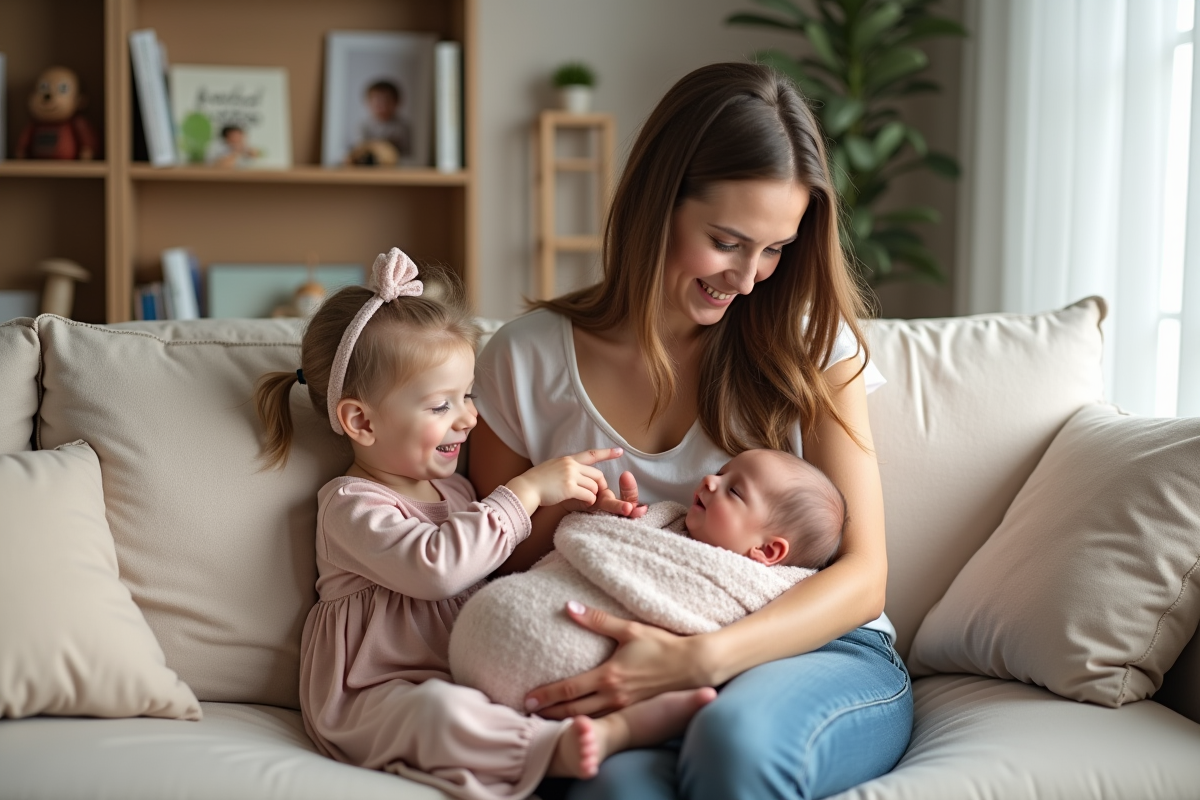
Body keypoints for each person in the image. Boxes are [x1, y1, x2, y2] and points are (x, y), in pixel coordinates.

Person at [469, 62, 913, 800]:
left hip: (815, 650)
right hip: (633, 676)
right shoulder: (525, 359)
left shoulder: (806, 339)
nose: (748, 278)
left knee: (734, 743)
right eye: (729, 241)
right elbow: (508, 567)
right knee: (614, 792)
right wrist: (583, 524)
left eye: (775, 250)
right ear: (658, 203)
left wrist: (702, 659)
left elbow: (864, 576)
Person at [253, 247, 716, 800]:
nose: (469, 419)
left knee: (530, 672)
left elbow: (499, 564)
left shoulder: (456, 490)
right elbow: (436, 568)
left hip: (467, 668)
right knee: (439, 714)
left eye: (467, 396)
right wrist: (522, 492)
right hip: (375, 694)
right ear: (362, 421)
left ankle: (611, 718)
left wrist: (575, 515)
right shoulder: (350, 506)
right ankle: (557, 748)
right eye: (440, 405)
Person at [448, 449, 846, 714]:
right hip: (508, 613)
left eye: (734, 491)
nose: (709, 481)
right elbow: (592, 550)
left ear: (768, 552)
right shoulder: (666, 519)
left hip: (555, 663)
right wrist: (614, 521)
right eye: (721, 473)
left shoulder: (756, 591)